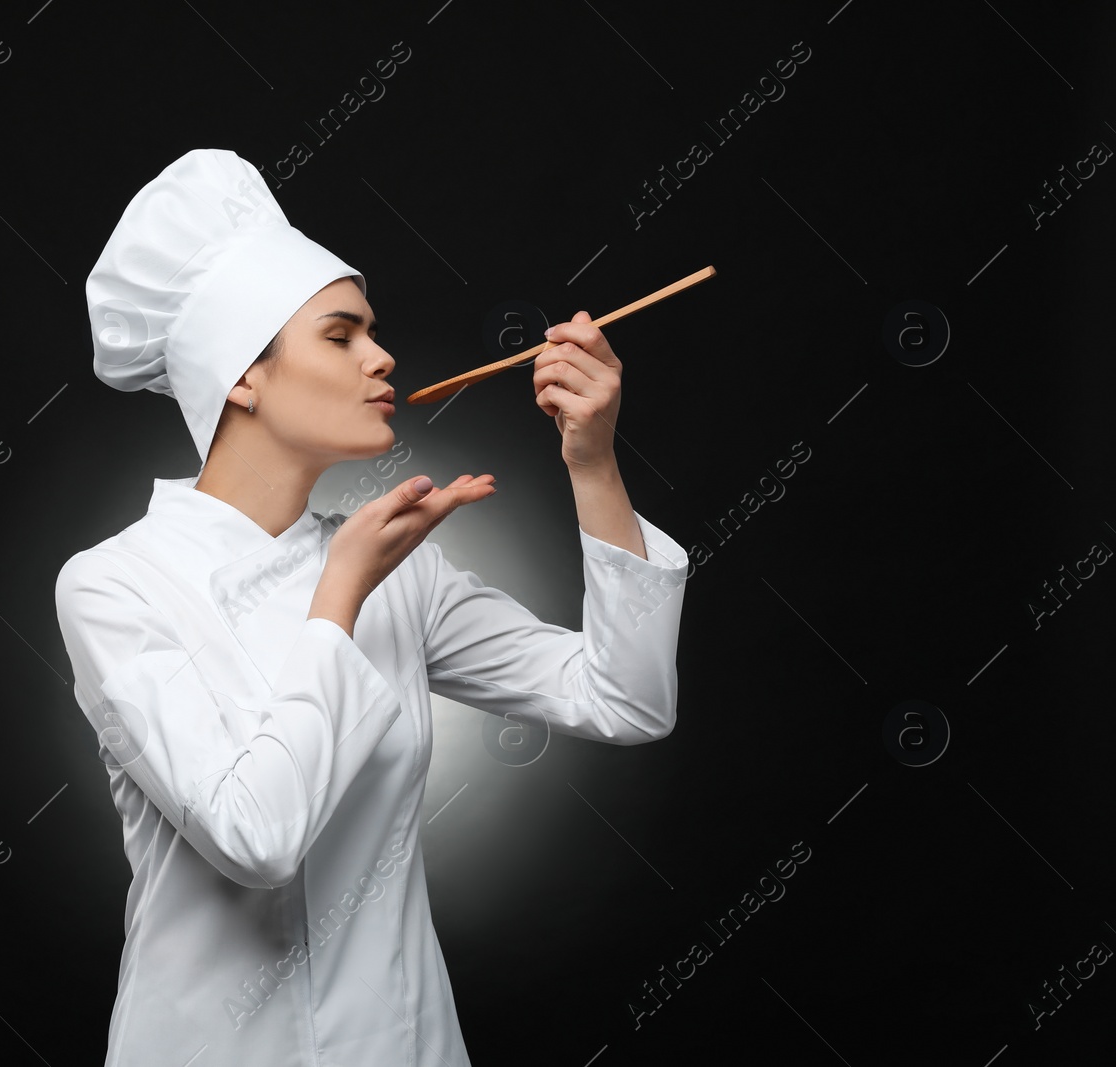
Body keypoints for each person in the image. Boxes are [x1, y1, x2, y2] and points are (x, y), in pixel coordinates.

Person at [57, 148, 690, 1066]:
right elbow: (256, 834)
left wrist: (592, 462)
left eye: (372, 331)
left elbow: (627, 699)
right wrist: (341, 592)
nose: (383, 356)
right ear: (243, 375)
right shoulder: (115, 585)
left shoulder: (403, 573)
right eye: (342, 334)